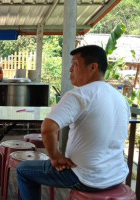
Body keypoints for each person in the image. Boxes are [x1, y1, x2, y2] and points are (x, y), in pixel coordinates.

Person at [16, 45, 130, 200]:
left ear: (93, 67)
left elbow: (48, 128)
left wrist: (55, 157)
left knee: (23, 170)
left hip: (85, 177)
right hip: (116, 176)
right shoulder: (121, 99)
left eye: (75, 64)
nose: (70, 69)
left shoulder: (79, 94)